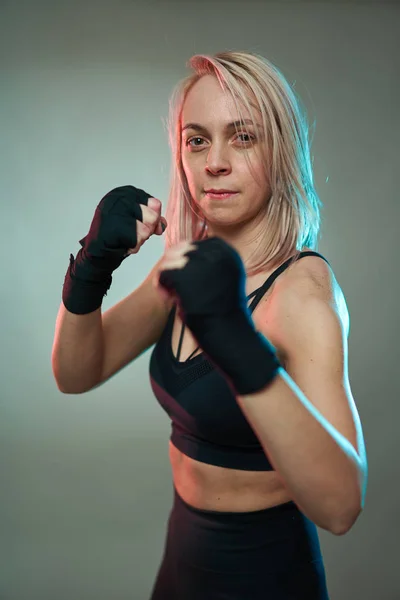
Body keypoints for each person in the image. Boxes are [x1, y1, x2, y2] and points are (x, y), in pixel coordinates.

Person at [52, 51, 368, 599]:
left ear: (281, 150)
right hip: (181, 564)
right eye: (197, 139)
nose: (213, 162)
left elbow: (340, 507)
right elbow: (78, 372)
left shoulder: (303, 295)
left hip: (265, 576)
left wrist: (234, 338)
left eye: (242, 137)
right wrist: (89, 268)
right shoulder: (187, 262)